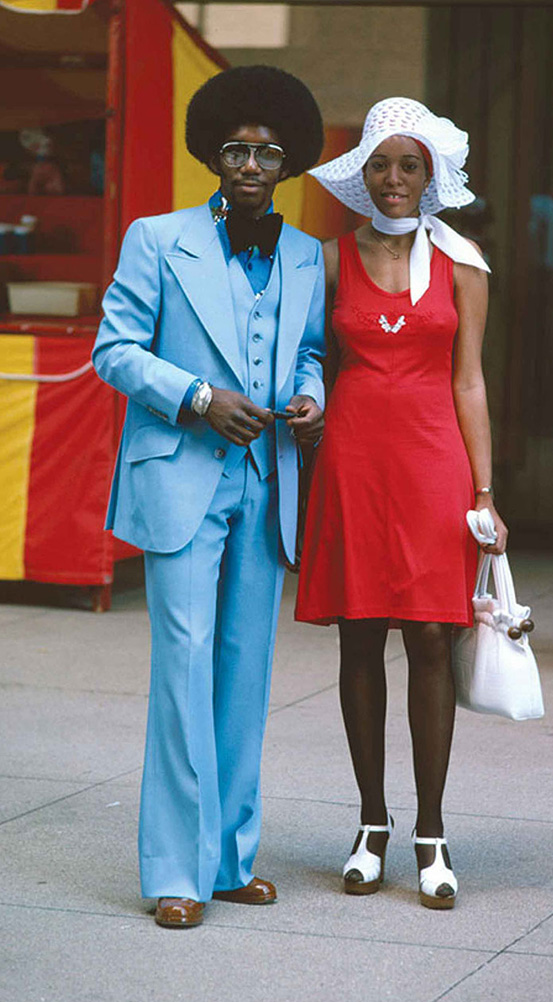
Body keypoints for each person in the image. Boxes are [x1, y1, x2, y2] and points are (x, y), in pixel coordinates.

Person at [92, 66, 325, 928]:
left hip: (266, 483)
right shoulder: (157, 239)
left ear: (289, 161)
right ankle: (174, 875)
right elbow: (114, 350)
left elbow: (308, 353)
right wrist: (197, 396)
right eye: (236, 149)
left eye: (268, 152)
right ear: (213, 156)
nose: (251, 163)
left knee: (243, 674)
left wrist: (311, 400)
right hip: (180, 476)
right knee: (183, 669)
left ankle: (228, 860)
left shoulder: (305, 255)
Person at [295, 97, 507, 910]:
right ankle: (371, 825)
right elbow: (311, 356)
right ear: (362, 172)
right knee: (360, 639)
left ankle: (432, 831)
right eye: (381, 163)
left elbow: (470, 379)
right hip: (353, 462)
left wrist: (485, 494)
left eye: (409, 166)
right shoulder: (327, 259)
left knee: (429, 637)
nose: (393, 179)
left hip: (433, 466)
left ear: (432, 176)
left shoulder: (464, 261)